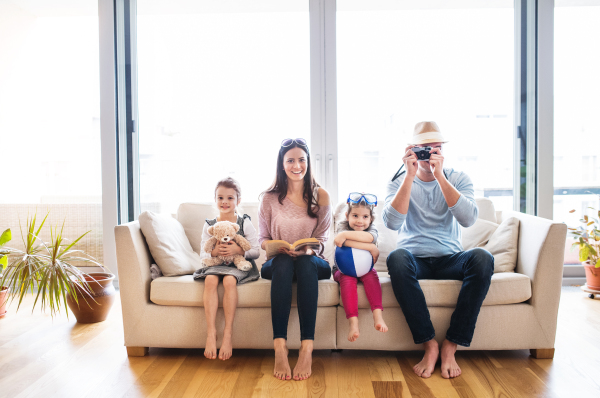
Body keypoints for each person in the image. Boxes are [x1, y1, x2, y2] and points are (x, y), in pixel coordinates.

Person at [383, 121, 494, 379]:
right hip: (414, 259)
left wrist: (439, 175)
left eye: (435, 148)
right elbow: (392, 223)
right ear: (411, 150)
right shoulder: (399, 181)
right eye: (424, 149)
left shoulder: (458, 178)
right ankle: (429, 343)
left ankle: (451, 344)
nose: (429, 154)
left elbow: (468, 219)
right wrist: (409, 176)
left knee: (482, 258)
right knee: (397, 258)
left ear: (442, 150)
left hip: (450, 258)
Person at [259, 138, 332, 381]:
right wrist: (273, 246)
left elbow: (322, 237)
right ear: (282, 164)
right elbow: (263, 238)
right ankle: (279, 346)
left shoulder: (320, 194)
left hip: (312, 262)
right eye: (290, 160)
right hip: (278, 262)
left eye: (302, 159)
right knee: (282, 262)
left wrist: (308, 250)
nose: (297, 165)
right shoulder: (269, 198)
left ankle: (306, 348)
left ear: (308, 162)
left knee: (303, 262)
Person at [193, 177, 260, 360]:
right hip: (216, 264)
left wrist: (238, 250)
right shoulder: (209, 225)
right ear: (215, 200)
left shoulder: (244, 222)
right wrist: (215, 252)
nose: (224, 202)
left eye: (230, 198)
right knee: (210, 280)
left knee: (229, 281)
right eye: (220, 198)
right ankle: (211, 333)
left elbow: (256, 251)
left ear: (238, 201)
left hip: (238, 264)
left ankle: (228, 334)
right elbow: (203, 254)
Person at [333, 193, 388, 342]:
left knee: (372, 276)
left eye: (365, 217)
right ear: (347, 215)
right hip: (341, 270)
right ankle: (353, 324)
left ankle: (377, 317)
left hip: (366, 269)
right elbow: (340, 241)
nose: (360, 221)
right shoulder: (342, 226)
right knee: (347, 280)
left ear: (370, 219)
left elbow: (369, 238)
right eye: (355, 215)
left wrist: (368, 244)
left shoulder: (372, 229)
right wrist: (370, 248)